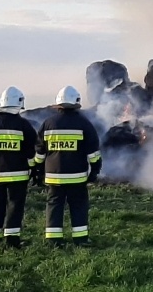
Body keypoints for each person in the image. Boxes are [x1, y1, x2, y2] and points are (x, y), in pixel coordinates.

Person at [34, 85, 102, 246]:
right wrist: (94, 171)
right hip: (77, 176)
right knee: (78, 205)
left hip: (53, 175)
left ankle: (53, 239)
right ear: (76, 104)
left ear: (58, 105)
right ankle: (80, 239)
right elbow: (93, 152)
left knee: (54, 205)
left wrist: (37, 170)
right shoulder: (84, 124)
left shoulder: (48, 123)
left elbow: (39, 151)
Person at [0, 87, 38, 248]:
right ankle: (12, 241)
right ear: (19, 104)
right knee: (14, 207)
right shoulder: (24, 125)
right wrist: (34, 169)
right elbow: (32, 151)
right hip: (18, 176)